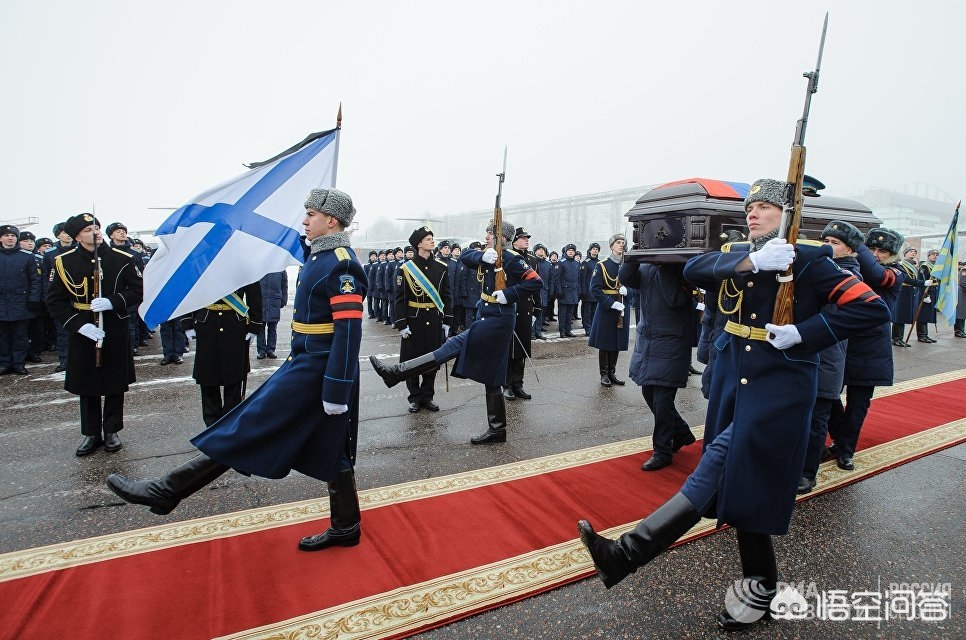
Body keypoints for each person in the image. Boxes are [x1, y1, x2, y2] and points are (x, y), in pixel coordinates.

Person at [576, 179, 890, 630]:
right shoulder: (742, 251)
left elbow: (871, 309)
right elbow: (694, 270)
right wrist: (751, 261)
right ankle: (760, 590)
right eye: (750, 207)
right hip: (734, 382)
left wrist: (806, 332)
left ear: (788, 213)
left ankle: (626, 554)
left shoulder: (812, 261)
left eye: (764, 207)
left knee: (718, 469)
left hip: (779, 389)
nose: (753, 213)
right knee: (743, 491)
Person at [108, 187, 368, 553]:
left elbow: (348, 331)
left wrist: (337, 389)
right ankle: (346, 526)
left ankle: (168, 489)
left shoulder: (340, 262)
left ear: (332, 220)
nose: (304, 221)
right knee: (332, 446)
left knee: (247, 425)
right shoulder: (321, 255)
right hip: (306, 362)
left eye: (311, 215)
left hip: (318, 369)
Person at [370, 220, 541, 444]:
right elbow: (465, 257)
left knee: (453, 345)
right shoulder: (489, 255)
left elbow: (535, 282)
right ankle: (497, 429)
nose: (486, 236)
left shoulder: (511, 259)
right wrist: (482, 256)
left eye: (490, 233)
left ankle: (398, 372)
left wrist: (510, 294)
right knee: (493, 375)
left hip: (499, 320)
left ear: (502, 238)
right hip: (488, 315)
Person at [46, 213, 143, 455]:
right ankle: (91, 433)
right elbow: (55, 301)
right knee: (86, 383)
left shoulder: (123, 259)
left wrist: (113, 302)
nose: (95, 232)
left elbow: (138, 291)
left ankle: (112, 430)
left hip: (114, 326)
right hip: (82, 329)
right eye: (88, 229)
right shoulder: (62, 262)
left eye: (97, 227)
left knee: (114, 381)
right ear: (77, 236)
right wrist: (79, 325)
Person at [824, 226, 906, 473]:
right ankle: (840, 437)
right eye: (872, 248)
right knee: (828, 397)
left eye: (882, 251)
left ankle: (846, 450)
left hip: (871, 347)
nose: (876, 254)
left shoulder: (896, 272)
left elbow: (878, 275)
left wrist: (855, 243)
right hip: (844, 342)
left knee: (858, 403)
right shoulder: (850, 267)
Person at [798, 221, 867, 491]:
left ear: (850, 249)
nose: (827, 246)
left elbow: (833, 318)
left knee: (816, 420)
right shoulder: (820, 269)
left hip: (827, 357)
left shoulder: (848, 276)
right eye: (824, 241)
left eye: (834, 243)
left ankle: (807, 472)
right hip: (807, 354)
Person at [618, 254, 697, 470]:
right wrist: (633, 256)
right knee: (648, 392)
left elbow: (675, 299)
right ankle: (681, 433)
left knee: (662, 399)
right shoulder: (646, 263)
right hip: (649, 339)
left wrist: (665, 265)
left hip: (671, 341)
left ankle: (662, 450)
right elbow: (627, 278)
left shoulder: (680, 266)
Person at [184, 281, 263, 426]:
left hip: (234, 325)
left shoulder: (243, 262)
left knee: (233, 379)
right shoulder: (199, 261)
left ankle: (229, 426)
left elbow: (254, 293)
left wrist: (255, 325)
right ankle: (211, 427)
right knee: (208, 379)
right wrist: (187, 322)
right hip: (206, 324)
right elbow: (188, 289)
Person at [394, 226, 452, 413]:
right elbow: (400, 299)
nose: (432, 241)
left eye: (432, 238)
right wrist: (401, 324)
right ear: (419, 244)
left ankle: (428, 396)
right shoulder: (406, 269)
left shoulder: (441, 268)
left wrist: (447, 320)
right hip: (414, 320)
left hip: (434, 319)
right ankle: (415, 397)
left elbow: (447, 295)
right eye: (428, 239)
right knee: (412, 360)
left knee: (432, 359)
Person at [589, 234, 631, 388]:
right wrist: (610, 304)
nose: (621, 245)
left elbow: (634, 285)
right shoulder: (602, 265)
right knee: (605, 342)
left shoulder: (627, 265)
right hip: (607, 309)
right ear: (611, 246)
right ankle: (604, 374)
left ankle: (612, 373)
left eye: (623, 243)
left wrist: (629, 291)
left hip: (622, 308)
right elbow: (594, 289)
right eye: (618, 242)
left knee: (617, 341)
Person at [1, 225, 42, 375]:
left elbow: (35, 280)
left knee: (21, 335)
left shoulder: (28, 257)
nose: (10, 238)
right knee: (3, 336)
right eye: (6, 235)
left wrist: (33, 299)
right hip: (2, 302)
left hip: (22, 302)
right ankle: (4, 363)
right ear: (1, 238)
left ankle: (19, 363)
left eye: (13, 235)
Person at [504, 227, 536, 400]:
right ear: (514, 241)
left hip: (525, 308)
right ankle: (507, 384)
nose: (527, 240)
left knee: (522, 348)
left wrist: (537, 309)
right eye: (523, 238)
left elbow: (536, 286)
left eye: (527, 238)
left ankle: (518, 384)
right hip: (511, 306)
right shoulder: (507, 258)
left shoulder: (531, 259)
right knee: (509, 348)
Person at [891, 247, 923, 347]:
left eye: (915, 252)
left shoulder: (913, 265)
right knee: (899, 315)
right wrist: (921, 283)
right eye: (910, 251)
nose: (913, 253)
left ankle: (900, 338)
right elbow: (905, 279)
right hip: (902, 291)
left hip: (910, 291)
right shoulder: (901, 264)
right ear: (905, 253)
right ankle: (896, 338)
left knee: (904, 316)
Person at [257, 270, 288, 359]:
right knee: (260, 327)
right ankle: (261, 350)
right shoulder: (260, 267)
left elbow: (284, 285)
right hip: (261, 301)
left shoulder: (280, 269)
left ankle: (271, 350)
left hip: (275, 301)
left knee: (272, 327)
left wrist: (283, 300)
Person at [915, 248, 939, 343]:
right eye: (932, 254)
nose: (935, 256)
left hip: (933, 290)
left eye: (937, 255)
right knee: (923, 314)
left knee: (928, 314)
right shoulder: (925, 266)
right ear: (928, 256)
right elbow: (922, 281)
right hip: (926, 291)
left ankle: (925, 334)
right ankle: (921, 335)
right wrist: (925, 296)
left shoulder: (935, 266)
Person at [556, 244, 580, 337]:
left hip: (573, 292)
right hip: (564, 292)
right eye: (569, 250)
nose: (571, 252)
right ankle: (562, 331)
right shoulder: (561, 263)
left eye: (572, 250)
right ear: (566, 252)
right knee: (562, 314)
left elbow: (578, 279)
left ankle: (568, 330)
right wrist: (559, 291)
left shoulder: (576, 264)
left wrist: (579, 291)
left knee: (570, 314)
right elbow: (557, 279)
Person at [531, 244, 551, 340]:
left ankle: (538, 332)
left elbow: (551, 279)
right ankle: (532, 332)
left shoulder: (548, 264)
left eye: (543, 249)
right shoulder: (532, 262)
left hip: (544, 290)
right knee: (533, 312)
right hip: (534, 290)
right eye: (539, 249)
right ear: (535, 251)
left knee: (540, 312)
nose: (541, 251)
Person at [580, 242, 601, 332]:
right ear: (590, 250)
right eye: (593, 249)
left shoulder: (599, 263)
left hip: (596, 291)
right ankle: (587, 328)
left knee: (595, 311)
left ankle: (593, 327)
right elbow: (582, 278)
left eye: (597, 249)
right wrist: (583, 291)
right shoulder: (585, 263)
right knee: (587, 311)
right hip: (587, 292)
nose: (595, 251)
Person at [956, 261, 966, 338]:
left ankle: (961, 330)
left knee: (963, 312)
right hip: (962, 293)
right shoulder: (964, 270)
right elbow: (963, 283)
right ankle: (958, 331)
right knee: (960, 312)